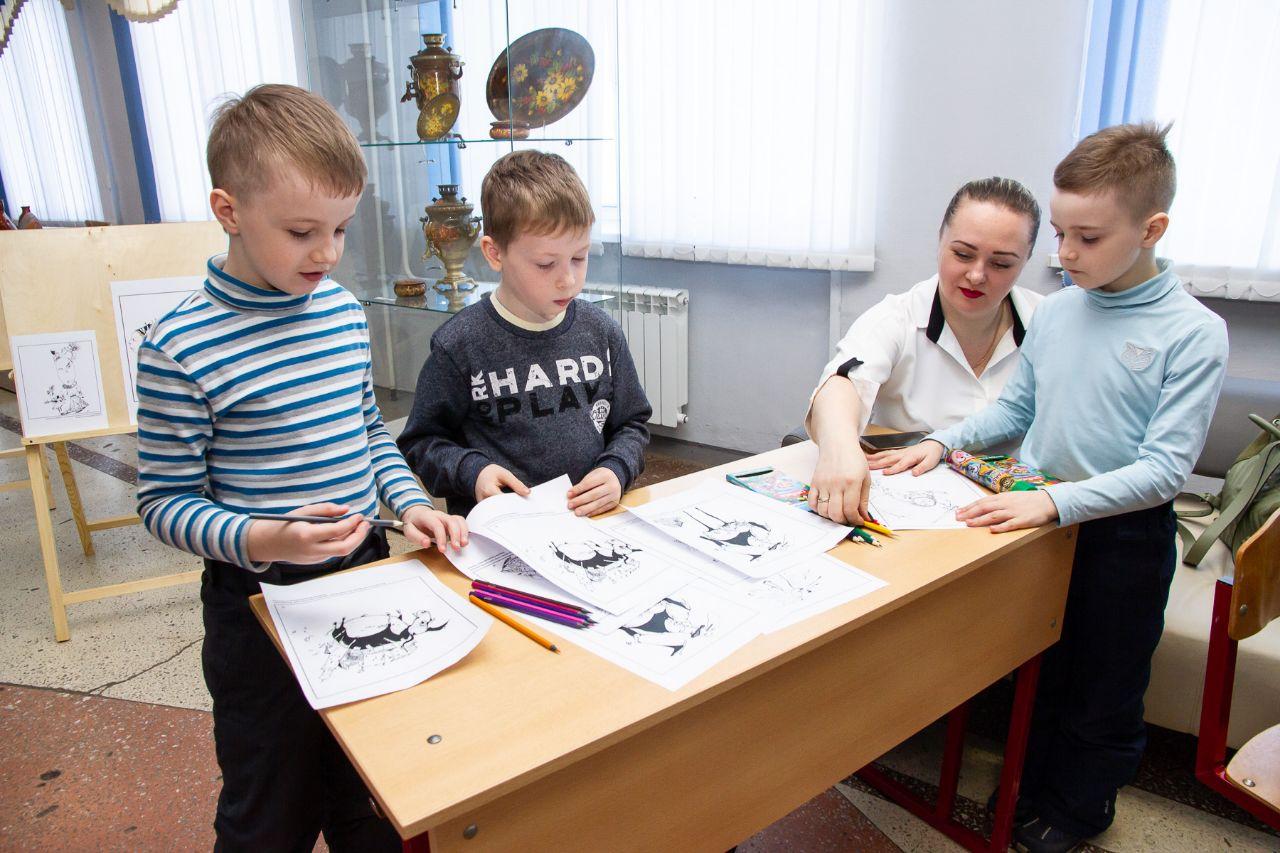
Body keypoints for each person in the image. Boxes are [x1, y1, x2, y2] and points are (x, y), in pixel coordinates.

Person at [871, 123, 1229, 852]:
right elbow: (1015, 412)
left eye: (1087, 238)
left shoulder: (1194, 332)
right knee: (1044, 667)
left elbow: (1164, 470)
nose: (1064, 254)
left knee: (1105, 683)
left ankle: (1079, 808)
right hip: (1042, 517)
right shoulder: (1060, 311)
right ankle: (1031, 787)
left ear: (1151, 229)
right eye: (1061, 235)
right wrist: (942, 441)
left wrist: (1054, 500)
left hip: (1123, 534)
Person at [135, 83, 468, 851]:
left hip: (364, 576)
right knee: (269, 807)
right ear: (229, 211)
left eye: (341, 229)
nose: (327, 253)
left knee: (375, 791)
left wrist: (411, 502)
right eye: (301, 232)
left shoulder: (343, 313)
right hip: (258, 602)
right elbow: (164, 501)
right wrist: (264, 538)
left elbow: (368, 431)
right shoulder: (178, 347)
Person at [397, 150, 651, 518]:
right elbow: (422, 443)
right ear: (494, 254)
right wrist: (473, 471)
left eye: (579, 257)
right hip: (501, 530)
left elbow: (632, 423)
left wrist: (617, 469)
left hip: (588, 523)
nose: (568, 279)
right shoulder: (459, 345)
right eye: (546, 264)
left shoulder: (601, 331)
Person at [805, 177, 1045, 525]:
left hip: (1017, 513)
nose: (976, 275)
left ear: (1025, 261)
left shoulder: (1047, 322)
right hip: (913, 507)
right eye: (963, 254)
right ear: (940, 240)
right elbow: (842, 383)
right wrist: (839, 450)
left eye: (1001, 264)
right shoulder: (897, 317)